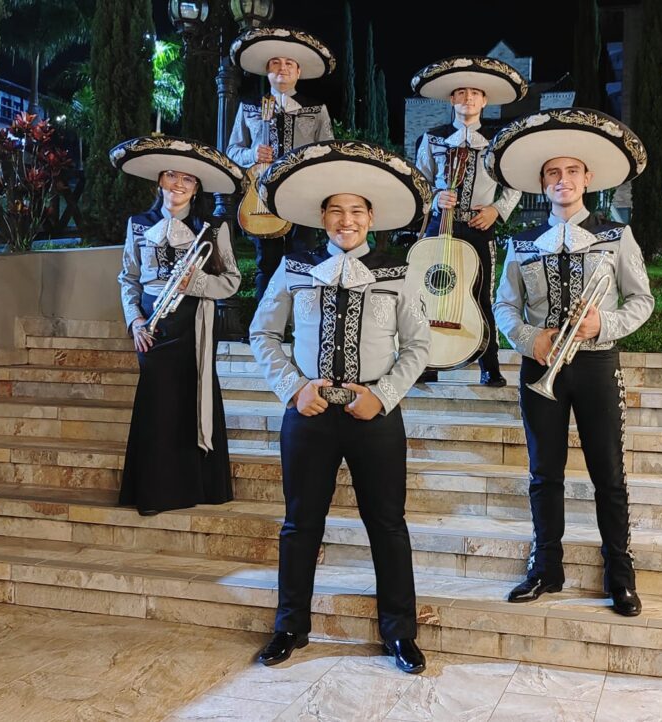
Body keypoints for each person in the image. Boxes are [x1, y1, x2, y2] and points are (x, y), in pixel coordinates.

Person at [249, 140, 433, 673]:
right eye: (336, 210)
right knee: (299, 523)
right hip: (308, 414)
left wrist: (384, 395)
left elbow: (418, 345)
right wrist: (292, 388)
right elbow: (264, 332)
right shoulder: (294, 267)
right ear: (322, 217)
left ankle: (399, 632)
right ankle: (290, 626)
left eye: (356, 211)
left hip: (375, 412)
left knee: (388, 524)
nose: (346, 220)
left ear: (370, 218)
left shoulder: (398, 272)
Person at [487, 108, 655, 616]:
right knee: (544, 473)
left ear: (588, 179)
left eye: (572, 172)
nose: (563, 180)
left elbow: (641, 301)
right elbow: (503, 305)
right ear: (543, 184)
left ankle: (620, 573)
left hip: (597, 365)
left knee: (609, 473)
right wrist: (528, 338)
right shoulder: (520, 242)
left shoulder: (616, 235)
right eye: (553, 173)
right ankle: (547, 567)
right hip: (541, 368)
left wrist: (600, 325)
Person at [111, 136, 243, 515]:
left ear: (196, 187)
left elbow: (232, 281)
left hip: (195, 325)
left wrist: (196, 283)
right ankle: (154, 493)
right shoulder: (139, 225)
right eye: (171, 176)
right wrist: (135, 321)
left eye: (187, 179)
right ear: (159, 182)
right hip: (152, 326)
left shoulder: (213, 227)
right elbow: (128, 279)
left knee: (192, 399)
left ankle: (198, 487)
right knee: (157, 405)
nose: (179, 184)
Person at [411, 56, 527, 386]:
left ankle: (488, 363)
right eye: (461, 93)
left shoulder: (498, 140)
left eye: (475, 93)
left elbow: (513, 183)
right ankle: (427, 360)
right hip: (440, 227)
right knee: (431, 290)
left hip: (479, 226)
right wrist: (434, 198)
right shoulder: (431, 138)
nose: (468, 99)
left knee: (481, 295)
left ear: (484, 100)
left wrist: (497, 210)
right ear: (452, 99)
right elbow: (419, 183)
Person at [228, 26, 336, 300]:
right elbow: (232, 151)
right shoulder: (249, 106)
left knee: (303, 260)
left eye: (289, 63)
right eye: (275, 63)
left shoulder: (317, 108)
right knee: (267, 263)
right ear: (267, 71)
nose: (282, 68)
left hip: (304, 197)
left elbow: (329, 152)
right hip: (262, 198)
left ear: (299, 71)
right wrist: (253, 155)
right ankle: (263, 326)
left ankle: (299, 327)